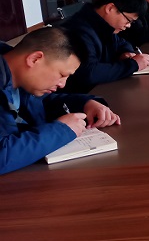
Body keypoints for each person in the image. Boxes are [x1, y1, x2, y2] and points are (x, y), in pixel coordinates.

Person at [0, 27, 120, 175]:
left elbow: (41, 103)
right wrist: (61, 130)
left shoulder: (20, 77)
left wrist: (85, 103)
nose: (63, 84)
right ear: (35, 59)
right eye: (62, 75)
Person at [61, 0, 149, 93]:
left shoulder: (102, 24)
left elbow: (122, 43)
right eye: (128, 20)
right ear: (110, 8)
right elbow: (88, 73)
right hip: (83, 95)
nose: (128, 26)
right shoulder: (79, 31)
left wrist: (125, 52)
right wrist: (133, 65)